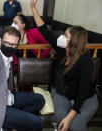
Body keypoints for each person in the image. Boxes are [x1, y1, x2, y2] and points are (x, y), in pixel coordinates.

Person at [31, 0, 98, 131]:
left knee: (75, 125)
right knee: (60, 117)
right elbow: (44, 31)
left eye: (65, 35)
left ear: (72, 41)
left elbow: (83, 92)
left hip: (86, 98)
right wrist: (33, 8)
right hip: (63, 94)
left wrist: (70, 117)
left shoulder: (85, 61)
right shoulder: (62, 50)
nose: (61, 37)